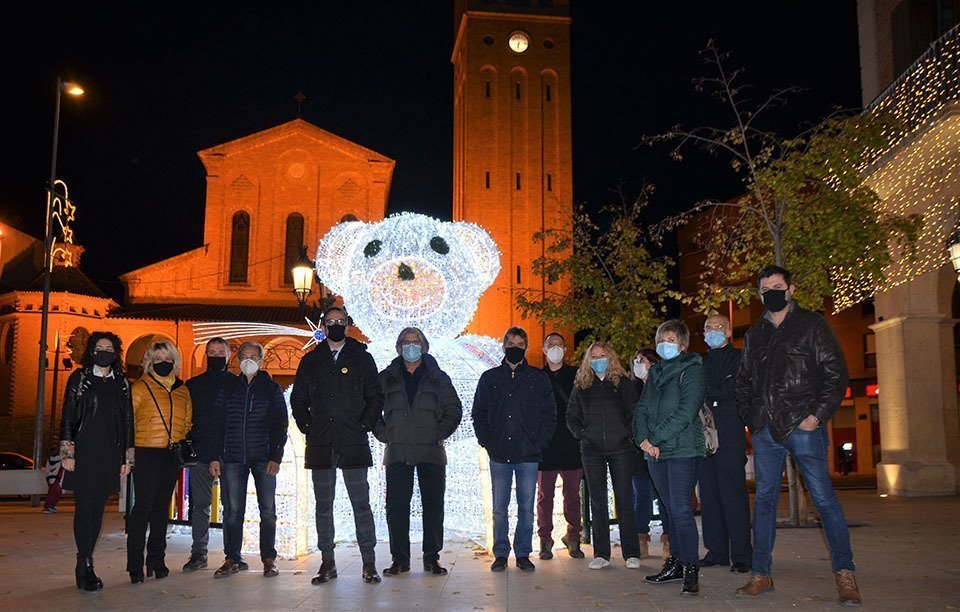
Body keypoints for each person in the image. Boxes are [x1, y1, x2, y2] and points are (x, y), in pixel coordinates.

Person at [734, 266, 861, 606]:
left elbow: (836, 373)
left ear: (791, 289)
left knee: (823, 499)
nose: (771, 293)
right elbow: (743, 381)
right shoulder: (755, 333)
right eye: (765, 289)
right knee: (764, 501)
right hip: (765, 429)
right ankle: (761, 574)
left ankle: (845, 573)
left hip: (803, 426)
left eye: (777, 286)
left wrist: (816, 416)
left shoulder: (812, 324)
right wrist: (752, 418)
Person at [291, 306, 385, 585]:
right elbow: (298, 399)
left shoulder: (362, 358)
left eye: (340, 321)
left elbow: (376, 395)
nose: (335, 325)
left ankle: (369, 563)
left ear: (347, 325)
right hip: (321, 442)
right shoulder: (311, 360)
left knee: (361, 504)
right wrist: (307, 426)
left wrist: (364, 423)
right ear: (323, 326)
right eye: (331, 321)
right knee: (323, 506)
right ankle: (327, 562)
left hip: (352, 440)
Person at [374, 327, 462, 576]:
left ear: (424, 346)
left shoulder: (438, 377)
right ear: (398, 347)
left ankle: (431, 558)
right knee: (396, 507)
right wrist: (385, 434)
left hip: (431, 451)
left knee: (433, 506)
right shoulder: (386, 377)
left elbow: (454, 409)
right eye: (406, 342)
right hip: (397, 451)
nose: (411, 346)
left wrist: (437, 433)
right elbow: (371, 409)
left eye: (415, 342)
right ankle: (400, 559)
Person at [473, 326, 556, 573]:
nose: (515, 348)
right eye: (511, 344)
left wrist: (539, 442)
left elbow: (549, 414)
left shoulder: (538, 378)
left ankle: (522, 553)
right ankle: (500, 553)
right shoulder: (489, 378)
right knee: (499, 508)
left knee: (526, 508)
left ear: (526, 348)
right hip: (499, 454)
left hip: (528, 455)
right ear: (503, 346)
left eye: (520, 345)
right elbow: (479, 413)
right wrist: (487, 442)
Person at [634, 320, 707, 596]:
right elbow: (642, 409)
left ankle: (691, 568)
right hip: (655, 453)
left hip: (683, 450)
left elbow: (686, 411)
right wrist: (643, 439)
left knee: (680, 509)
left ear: (683, 345)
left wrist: (654, 439)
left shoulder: (693, 370)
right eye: (661, 340)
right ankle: (675, 562)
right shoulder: (655, 373)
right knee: (669, 510)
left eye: (671, 339)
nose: (665, 344)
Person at [59, 331, 134, 591]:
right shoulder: (79, 378)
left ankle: (84, 563)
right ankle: (86, 563)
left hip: (109, 453)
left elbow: (127, 421)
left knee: (98, 509)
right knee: (84, 508)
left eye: (109, 348)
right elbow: (68, 415)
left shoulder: (122, 382)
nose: (104, 352)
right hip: (84, 451)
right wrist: (67, 453)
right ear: (91, 351)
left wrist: (127, 456)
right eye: (100, 347)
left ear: (116, 353)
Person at [209, 341, 288, 578]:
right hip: (233, 458)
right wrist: (215, 456)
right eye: (245, 356)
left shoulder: (271, 389)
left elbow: (280, 425)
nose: (249, 360)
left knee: (268, 511)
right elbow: (217, 424)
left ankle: (269, 559)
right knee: (233, 511)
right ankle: (232, 558)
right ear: (237, 360)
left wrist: (276, 456)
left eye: (254, 356)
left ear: (261, 361)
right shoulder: (229, 388)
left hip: (264, 458)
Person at [566, 341, 642, 570]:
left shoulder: (623, 383)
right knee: (598, 502)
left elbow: (635, 412)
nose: (599, 360)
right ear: (589, 361)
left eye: (602, 355)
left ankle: (631, 553)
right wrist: (583, 435)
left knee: (625, 500)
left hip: (621, 449)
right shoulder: (581, 385)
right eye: (595, 356)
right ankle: (601, 554)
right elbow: (571, 415)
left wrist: (628, 435)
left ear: (611, 358)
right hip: (592, 451)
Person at [127, 340, 193, 584]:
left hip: (170, 454)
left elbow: (186, 421)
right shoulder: (140, 387)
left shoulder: (182, 390)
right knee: (142, 506)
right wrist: (130, 452)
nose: (163, 363)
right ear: (149, 363)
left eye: (167, 359)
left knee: (161, 508)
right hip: (146, 452)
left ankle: (157, 559)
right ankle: (134, 564)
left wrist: (177, 439)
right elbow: (128, 420)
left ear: (174, 361)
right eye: (157, 359)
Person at [698, 314, 752, 573]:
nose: (713, 331)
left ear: (729, 332)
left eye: (718, 327)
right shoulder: (700, 363)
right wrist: (714, 394)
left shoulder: (740, 358)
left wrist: (710, 394)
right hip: (704, 440)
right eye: (708, 327)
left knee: (734, 497)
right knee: (709, 497)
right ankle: (717, 551)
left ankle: (741, 555)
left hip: (730, 438)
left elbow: (732, 391)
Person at [182, 337, 233, 572]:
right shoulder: (193, 385)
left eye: (221, 352)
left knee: (231, 507)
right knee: (200, 506)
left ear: (228, 355)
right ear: (206, 355)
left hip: (229, 454)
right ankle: (198, 553)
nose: (216, 356)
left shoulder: (237, 384)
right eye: (212, 352)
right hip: (201, 454)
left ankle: (232, 555)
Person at [536, 332, 584, 560]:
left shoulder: (577, 375)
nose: (555, 348)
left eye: (559, 344)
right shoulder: (536, 376)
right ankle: (545, 539)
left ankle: (574, 537)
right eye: (551, 344)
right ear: (544, 350)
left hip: (571, 443)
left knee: (572, 495)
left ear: (565, 350)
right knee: (544, 497)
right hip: (545, 446)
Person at [630, 348, 671, 558]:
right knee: (642, 496)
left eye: (642, 360)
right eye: (636, 360)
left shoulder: (664, 386)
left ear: (653, 364)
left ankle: (668, 539)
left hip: (660, 449)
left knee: (664, 496)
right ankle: (641, 537)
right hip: (638, 452)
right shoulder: (631, 389)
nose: (638, 364)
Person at [43, 446, 64, 513]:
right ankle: (48, 507)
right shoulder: (60, 458)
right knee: (54, 492)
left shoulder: (50, 458)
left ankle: (50, 506)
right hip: (55, 477)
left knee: (56, 492)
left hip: (51, 477)